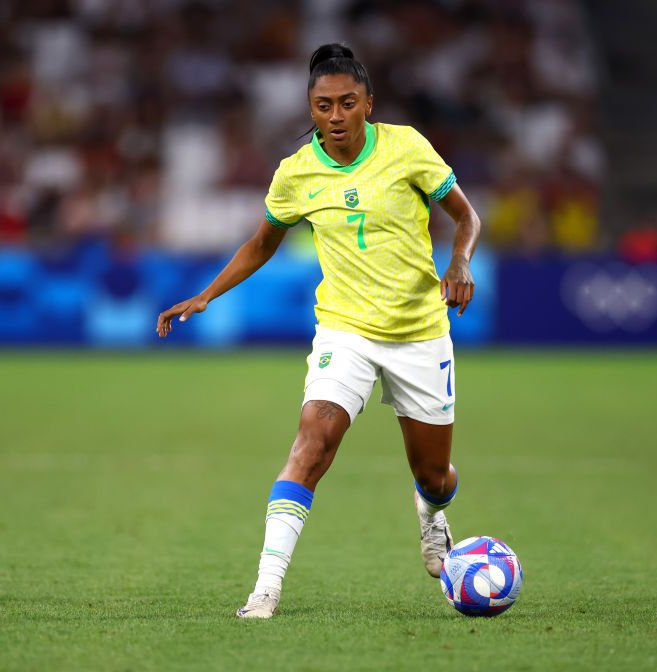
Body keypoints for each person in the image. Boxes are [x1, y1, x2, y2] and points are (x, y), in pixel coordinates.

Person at [156, 43, 481, 619]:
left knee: (433, 473)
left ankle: (432, 512)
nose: (335, 116)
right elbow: (262, 243)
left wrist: (459, 263)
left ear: (368, 105)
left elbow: (466, 215)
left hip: (418, 331)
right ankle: (265, 589)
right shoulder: (296, 172)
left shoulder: (406, 147)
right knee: (312, 444)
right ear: (310, 107)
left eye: (347, 103)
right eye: (323, 105)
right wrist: (206, 294)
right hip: (344, 330)